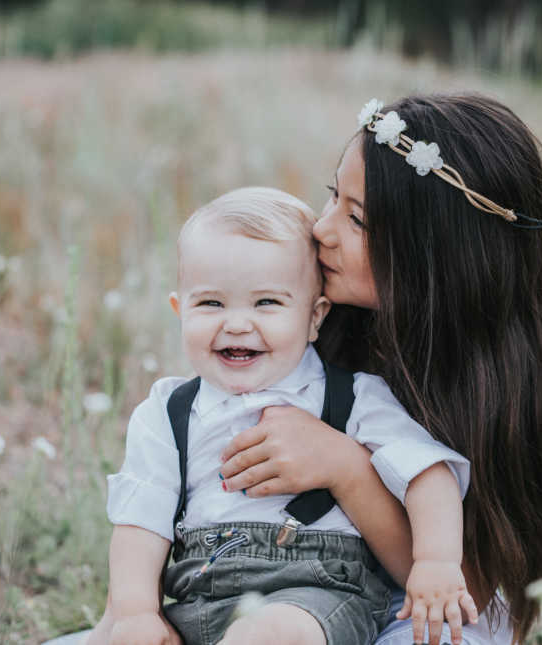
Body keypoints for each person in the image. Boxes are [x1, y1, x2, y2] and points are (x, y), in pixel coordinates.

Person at [217, 95, 542, 644]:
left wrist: (344, 466)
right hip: (299, 600)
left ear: (439, 254)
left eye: (358, 218)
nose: (322, 229)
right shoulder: (316, 327)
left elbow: (467, 590)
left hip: (430, 618)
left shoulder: (493, 388)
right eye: (333, 197)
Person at [87, 186, 477, 645]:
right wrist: (136, 612)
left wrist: (436, 562)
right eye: (210, 303)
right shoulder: (168, 411)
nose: (236, 323)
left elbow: (427, 474)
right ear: (180, 310)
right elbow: (141, 520)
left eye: (266, 303)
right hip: (199, 598)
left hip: (318, 596)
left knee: (270, 635)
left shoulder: (352, 397)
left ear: (315, 317)